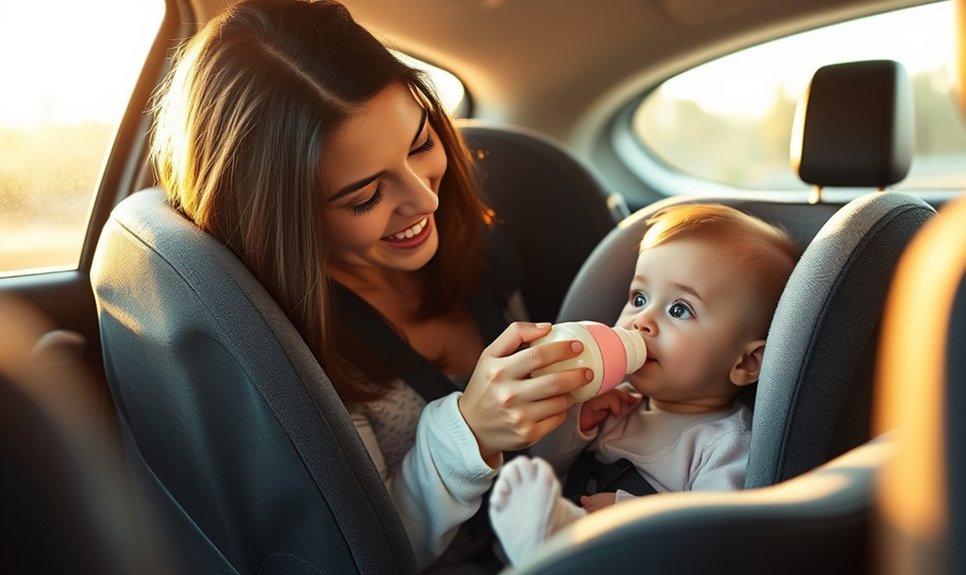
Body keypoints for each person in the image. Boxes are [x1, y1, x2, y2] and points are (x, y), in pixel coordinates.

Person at [148, 0, 594, 570]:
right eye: (365, 197)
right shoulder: (297, 351)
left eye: (421, 145)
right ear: (283, 218)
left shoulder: (478, 247)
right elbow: (370, 550)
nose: (426, 199)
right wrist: (470, 431)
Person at [488, 204, 799, 565]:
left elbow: (712, 542)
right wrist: (577, 426)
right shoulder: (614, 403)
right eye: (638, 298)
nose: (641, 321)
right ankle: (546, 544)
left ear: (745, 362)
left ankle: (557, 543)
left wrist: (626, 512)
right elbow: (547, 468)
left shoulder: (725, 444)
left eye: (679, 309)